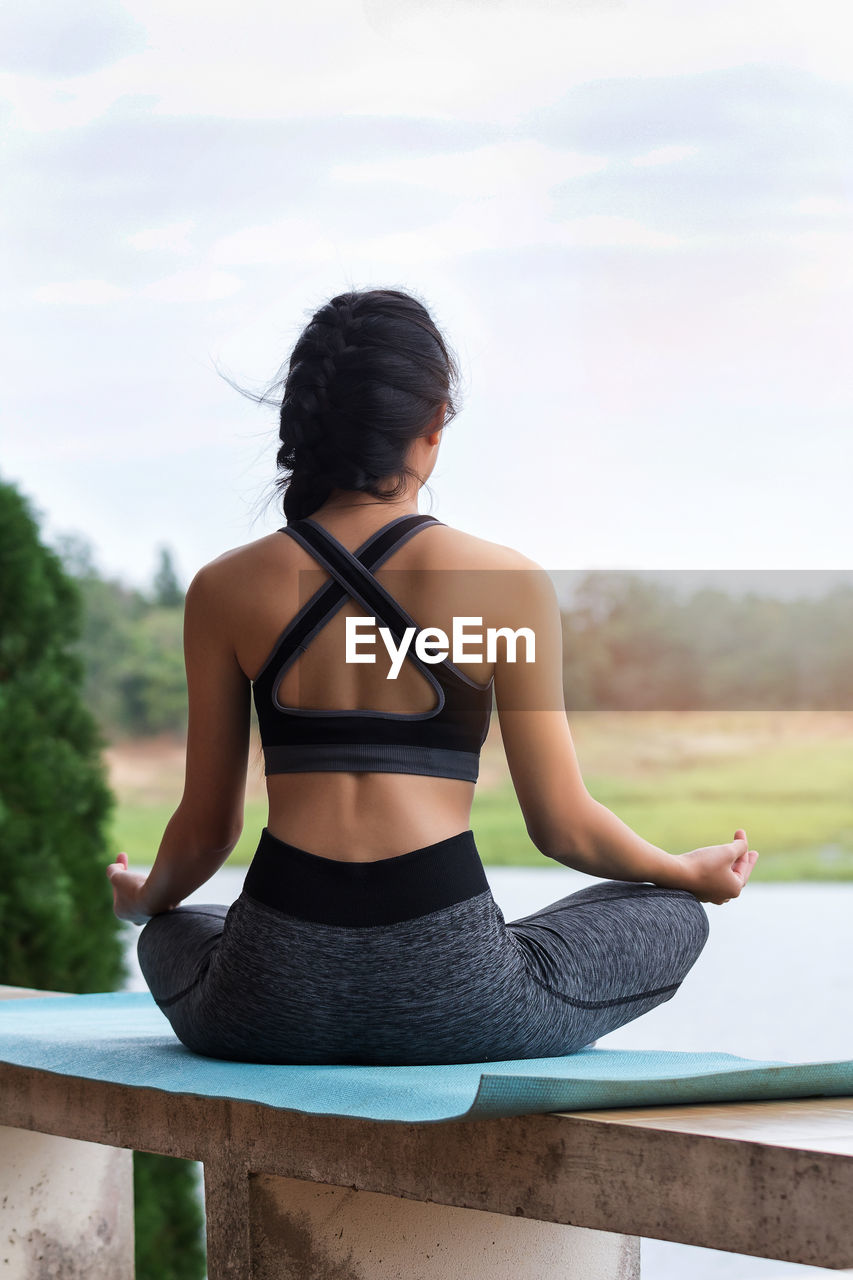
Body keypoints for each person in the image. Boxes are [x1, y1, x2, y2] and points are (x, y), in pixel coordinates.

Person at [106, 288, 757, 1066]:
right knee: (674, 915)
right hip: (456, 998)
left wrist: (143, 900)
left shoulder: (223, 588)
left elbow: (209, 830)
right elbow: (562, 826)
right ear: (434, 421)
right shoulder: (507, 582)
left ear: (306, 425)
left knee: (178, 927)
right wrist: (682, 871)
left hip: (267, 1004)